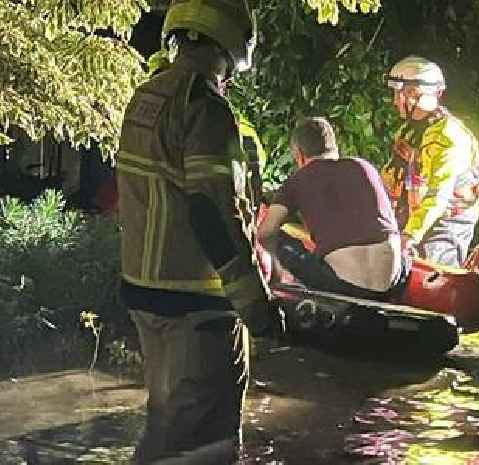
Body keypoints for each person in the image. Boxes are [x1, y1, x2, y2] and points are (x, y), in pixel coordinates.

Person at [116, 1, 274, 463]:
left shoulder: (145, 99)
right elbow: (211, 212)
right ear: (231, 45)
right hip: (198, 307)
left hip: (147, 297)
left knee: (166, 429)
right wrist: (254, 304)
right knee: (205, 444)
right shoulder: (206, 109)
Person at [258, 117, 404, 300]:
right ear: (334, 146)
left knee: (279, 239)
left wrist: (277, 268)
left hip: (343, 285)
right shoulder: (364, 167)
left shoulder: (298, 180)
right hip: (393, 281)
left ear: (299, 154)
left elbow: (265, 233)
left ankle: (278, 285)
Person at [381, 56, 479, 267]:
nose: (394, 101)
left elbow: (438, 195)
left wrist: (409, 236)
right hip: (414, 214)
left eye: (399, 94)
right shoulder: (410, 131)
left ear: (415, 94)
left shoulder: (448, 137)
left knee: (427, 274)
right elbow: (392, 177)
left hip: (446, 224)